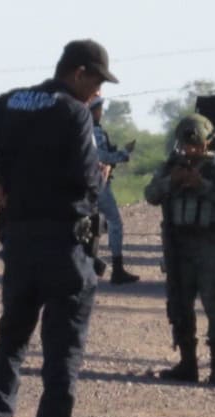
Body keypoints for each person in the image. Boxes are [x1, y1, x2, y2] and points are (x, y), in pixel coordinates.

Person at [0, 39, 116, 417]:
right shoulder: (73, 112)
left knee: (12, 341)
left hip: (19, 241)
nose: (97, 92)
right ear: (77, 73)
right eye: (95, 81)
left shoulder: (13, 102)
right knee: (63, 348)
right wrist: (102, 173)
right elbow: (85, 180)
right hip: (65, 244)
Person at [144, 114, 215, 386]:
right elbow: (150, 195)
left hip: (207, 241)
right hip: (178, 244)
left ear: (207, 140)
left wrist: (202, 186)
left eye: (195, 143)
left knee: (214, 303)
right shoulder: (171, 166)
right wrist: (170, 182)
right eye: (186, 144)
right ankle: (188, 364)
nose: (190, 149)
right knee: (179, 304)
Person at [89, 96, 139, 284]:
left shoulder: (78, 129)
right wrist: (125, 153)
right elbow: (103, 157)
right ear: (95, 111)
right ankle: (117, 269)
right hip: (98, 184)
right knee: (115, 223)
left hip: (83, 185)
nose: (101, 112)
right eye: (99, 109)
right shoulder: (95, 131)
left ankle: (89, 263)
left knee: (90, 224)